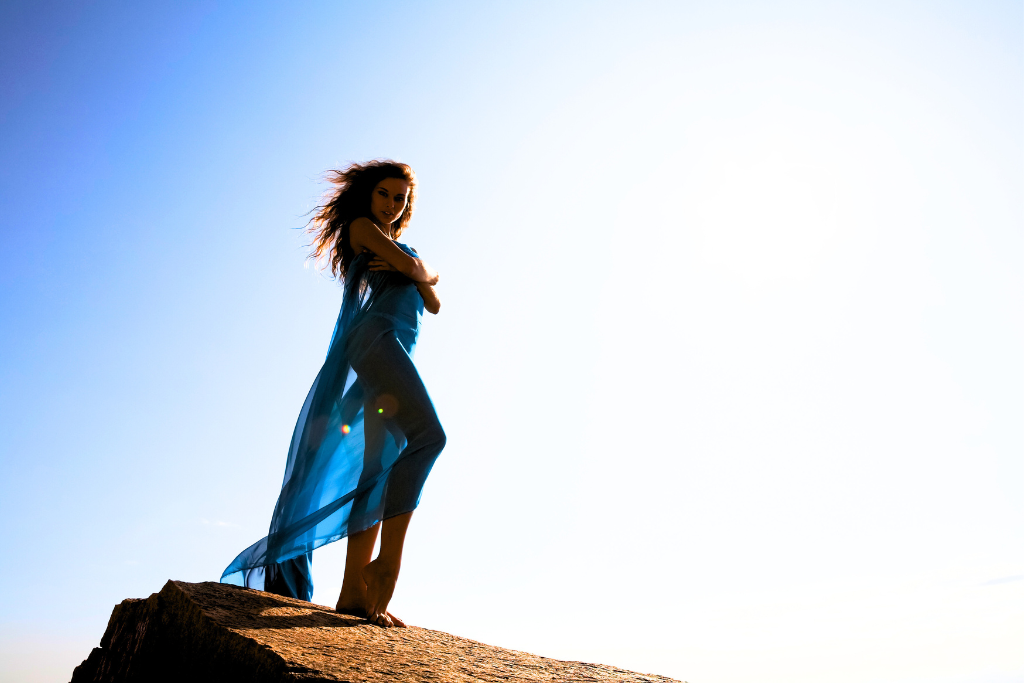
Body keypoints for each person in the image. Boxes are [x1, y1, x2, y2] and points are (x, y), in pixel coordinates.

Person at [221, 160, 445, 627]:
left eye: (400, 197)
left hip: (393, 350)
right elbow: (415, 274)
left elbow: (434, 301)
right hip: (376, 340)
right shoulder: (364, 229)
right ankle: (387, 565)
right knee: (429, 437)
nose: (391, 203)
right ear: (368, 195)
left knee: (377, 465)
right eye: (384, 193)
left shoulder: (401, 245)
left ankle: (353, 596)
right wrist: (420, 271)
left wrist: (420, 271)